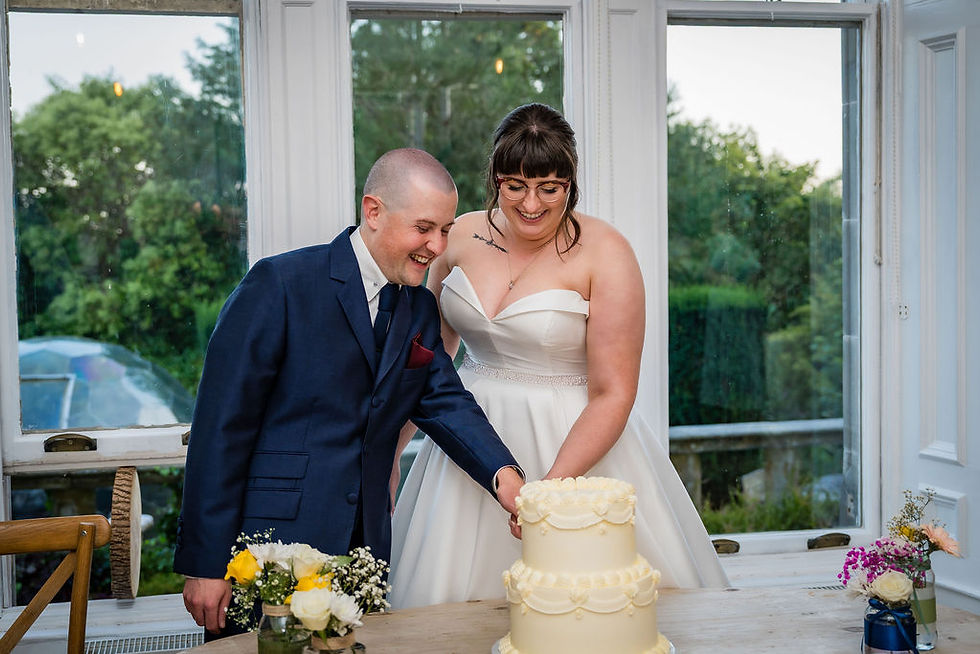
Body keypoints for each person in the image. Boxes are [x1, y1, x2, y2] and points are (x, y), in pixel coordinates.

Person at [173, 148, 524, 639]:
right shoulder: (280, 284)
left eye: (445, 230)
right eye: (424, 227)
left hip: (365, 553)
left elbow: (447, 402)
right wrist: (205, 563)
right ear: (373, 211)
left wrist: (508, 480)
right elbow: (220, 429)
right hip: (268, 552)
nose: (437, 246)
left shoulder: (420, 309)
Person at [388, 104, 728, 609]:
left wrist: (548, 494)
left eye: (550, 187)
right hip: (469, 439)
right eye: (515, 185)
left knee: (581, 610)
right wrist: (392, 449)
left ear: (570, 184)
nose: (531, 203)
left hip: (572, 442)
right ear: (495, 179)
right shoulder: (457, 234)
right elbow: (429, 358)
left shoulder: (606, 251)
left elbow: (614, 391)